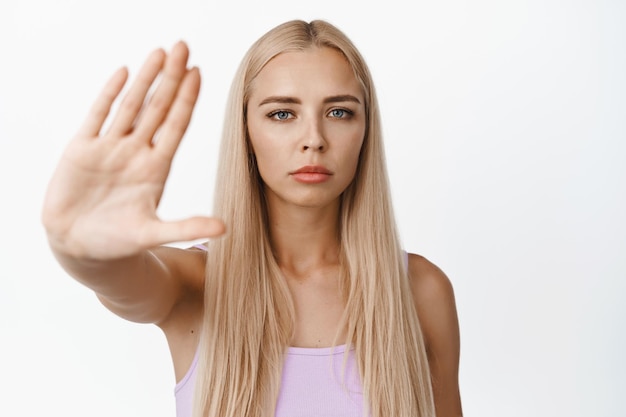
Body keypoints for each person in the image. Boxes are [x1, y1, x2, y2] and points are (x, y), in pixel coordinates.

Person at [42, 19, 462, 417]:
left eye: (339, 112)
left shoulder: (422, 291)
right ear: (246, 131)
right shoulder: (198, 283)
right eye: (282, 113)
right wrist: (81, 251)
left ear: (366, 130)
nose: (313, 139)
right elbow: (121, 281)